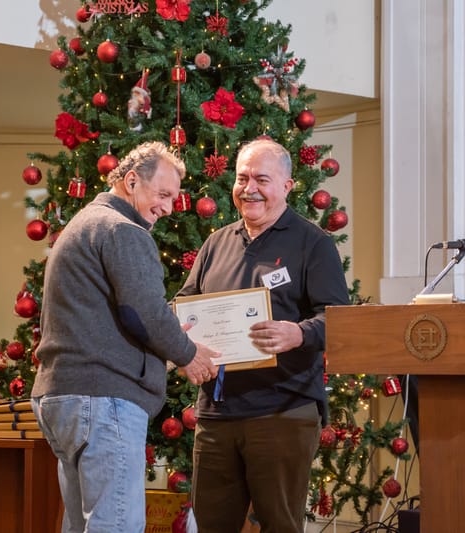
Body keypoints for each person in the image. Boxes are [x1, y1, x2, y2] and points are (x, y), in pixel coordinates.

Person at [30, 141, 219, 533]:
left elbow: (114, 316)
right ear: (131, 181)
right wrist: (188, 354)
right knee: (117, 525)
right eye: (163, 194)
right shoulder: (122, 229)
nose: (168, 208)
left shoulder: (84, 223)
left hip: (64, 396)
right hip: (102, 400)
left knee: (83, 525)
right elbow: (143, 312)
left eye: (174, 198)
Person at [177, 138, 350, 532]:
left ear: (287, 186)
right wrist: (186, 347)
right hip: (217, 412)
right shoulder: (216, 243)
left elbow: (338, 318)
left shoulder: (313, 243)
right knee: (211, 526)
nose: (249, 188)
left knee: (280, 526)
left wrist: (298, 333)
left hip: (282, 411)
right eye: (242, 178)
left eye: (261, 179)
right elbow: (185, 305)